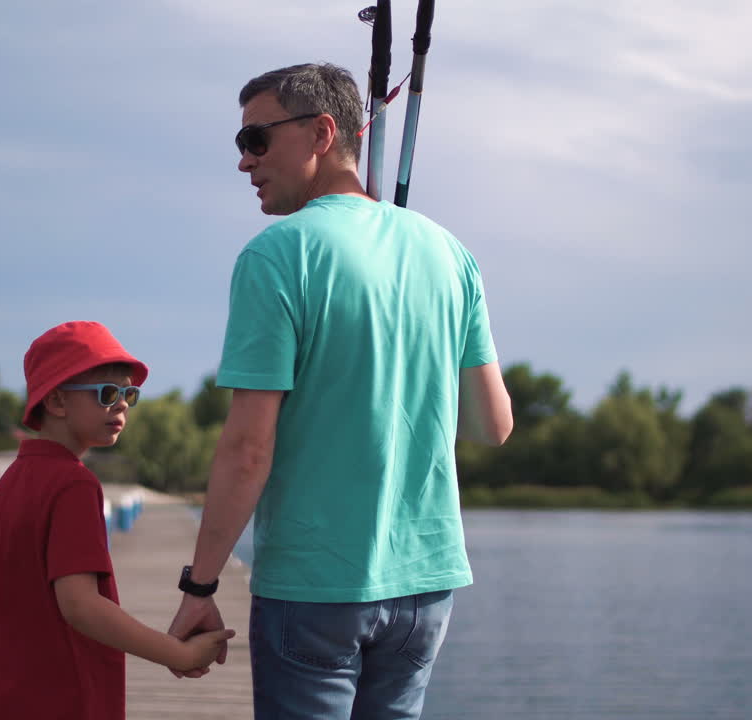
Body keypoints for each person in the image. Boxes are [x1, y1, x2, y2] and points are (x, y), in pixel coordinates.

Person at [167, 64, 514, 719]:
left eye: (257, 140)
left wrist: (201, 584)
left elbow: (247, 448)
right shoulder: (449, 253)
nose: (245, 162)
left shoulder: (278, 255)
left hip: (315, 588)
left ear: (323, 132)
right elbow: (493, 424)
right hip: (426, 586)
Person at [0, 321, 234, 720]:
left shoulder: (11, 483)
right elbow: (81, 605)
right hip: (58, 702)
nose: (122, 403)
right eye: (107, 393)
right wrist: (176, 652)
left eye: (129, 394)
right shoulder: (74, 484)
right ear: (56, 402)